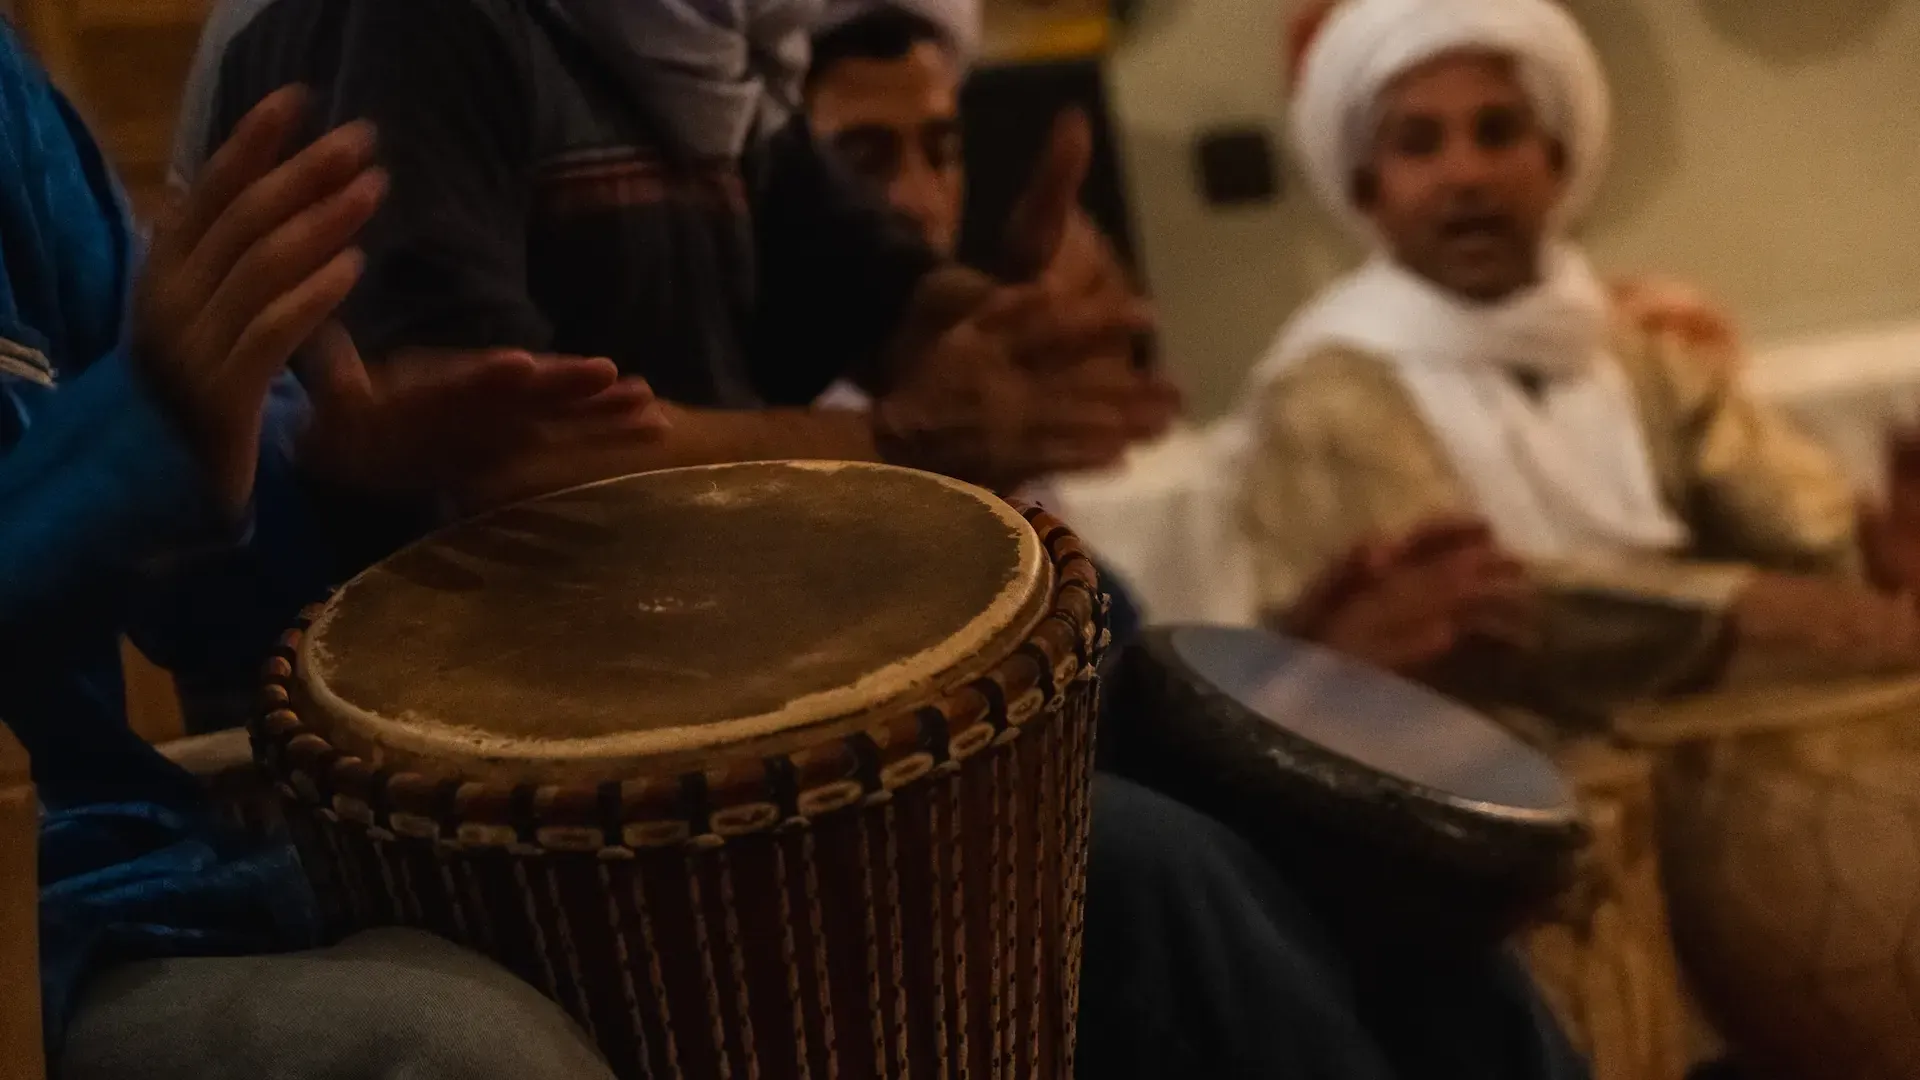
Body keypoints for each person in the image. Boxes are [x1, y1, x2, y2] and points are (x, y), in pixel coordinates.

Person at [0, 18, 693, 1075]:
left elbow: (196, 603)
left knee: (627, 929)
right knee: (461, 1055)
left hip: (131, 873)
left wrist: (346, 473)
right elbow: (136, 431)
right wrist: (139, 435)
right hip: (37, 938)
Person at [171, 0, 1177, 518]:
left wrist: (1024, 332)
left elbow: (893, 304)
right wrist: (902, 438)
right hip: (500, 786)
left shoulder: (680, 42)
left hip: (712, 687)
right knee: (1156, 871)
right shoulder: (406, 22)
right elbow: (505, 462)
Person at [1238, 0, 1920, 710]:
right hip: (1463, 776)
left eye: (1498, 132)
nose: (1465, 173)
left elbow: (1801, 525)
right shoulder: (1326, 394)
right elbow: (1477, 603)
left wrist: (1876, 556)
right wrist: (1751, 609)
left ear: (1556, 160)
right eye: (1419, 144)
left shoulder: (1634, 355)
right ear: (1367, 188)